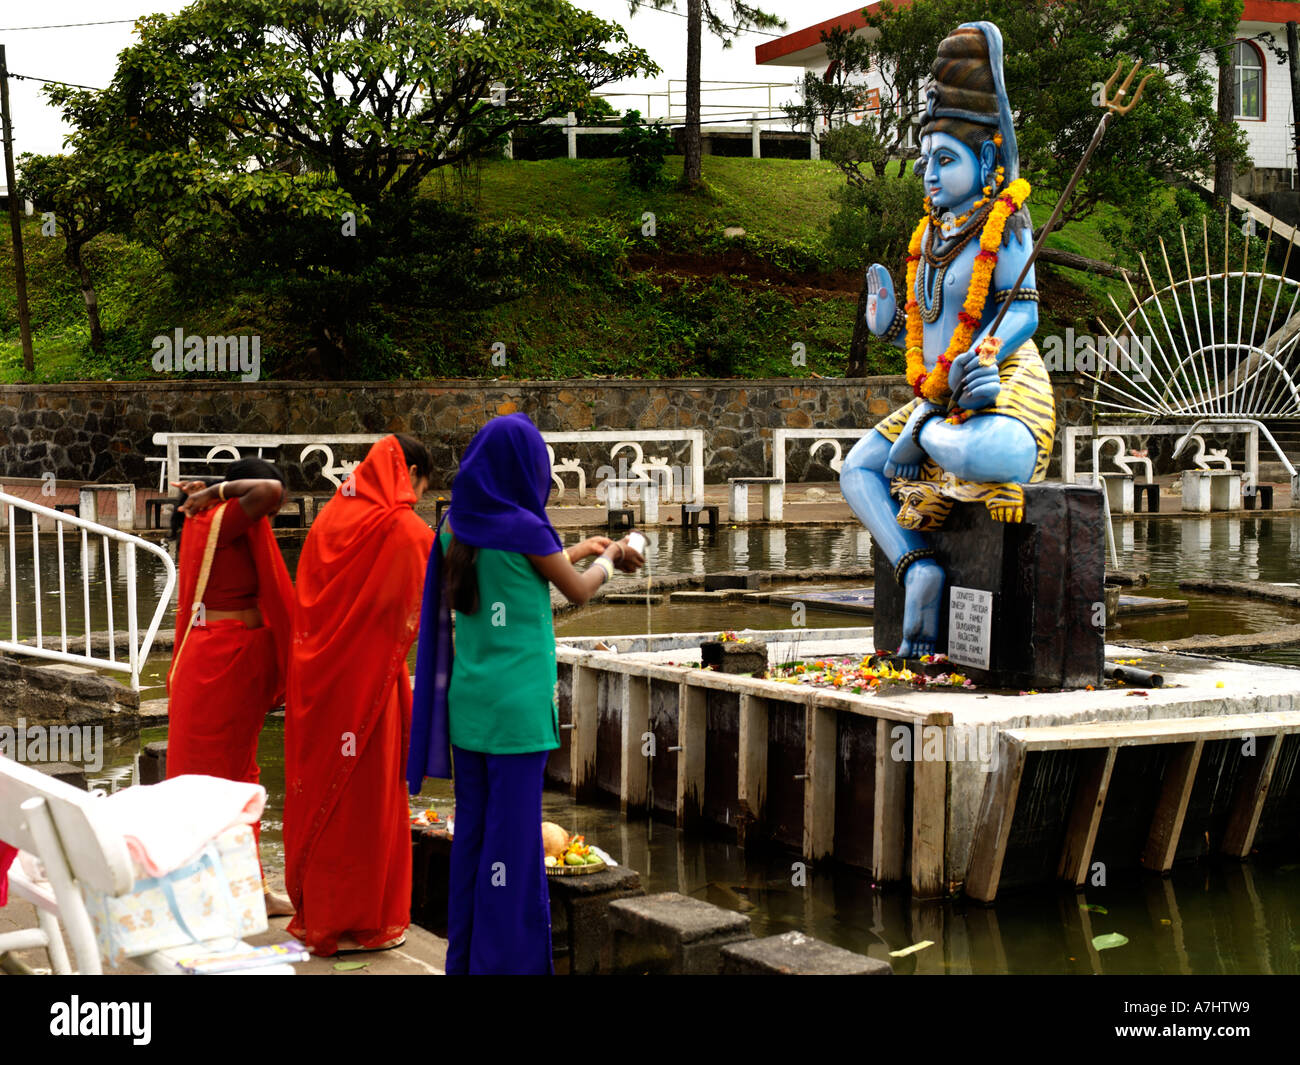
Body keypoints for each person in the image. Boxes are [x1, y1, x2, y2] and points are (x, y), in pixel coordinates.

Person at [407, 412, 644, 975]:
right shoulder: (527, 529)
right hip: (518, 712)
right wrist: (609, 558)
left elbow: (526, 570)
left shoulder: (453, 526)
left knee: (475, 838)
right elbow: (579, 593)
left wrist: (577, 549)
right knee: (514, 844)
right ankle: (508, 965)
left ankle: (465, 961)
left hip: (470, 707)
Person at [283, 433, 434, 956]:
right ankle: (366, 921)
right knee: (367, 801)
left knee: (322, 791)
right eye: (419, 486)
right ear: (409, 471)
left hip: (317, 686)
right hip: (370, 687)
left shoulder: (329, 519)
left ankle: (319, 913)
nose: (416, 498)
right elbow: (429, 611)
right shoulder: (404, 529)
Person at [166, 458, 296, 916]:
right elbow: (269, 491)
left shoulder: (208, 522)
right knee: (221, 784)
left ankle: (246, 889)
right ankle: (221, 893)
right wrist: (221, 492)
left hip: (215, 659)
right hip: (225, 661)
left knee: (239, 778)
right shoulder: (223, 515)